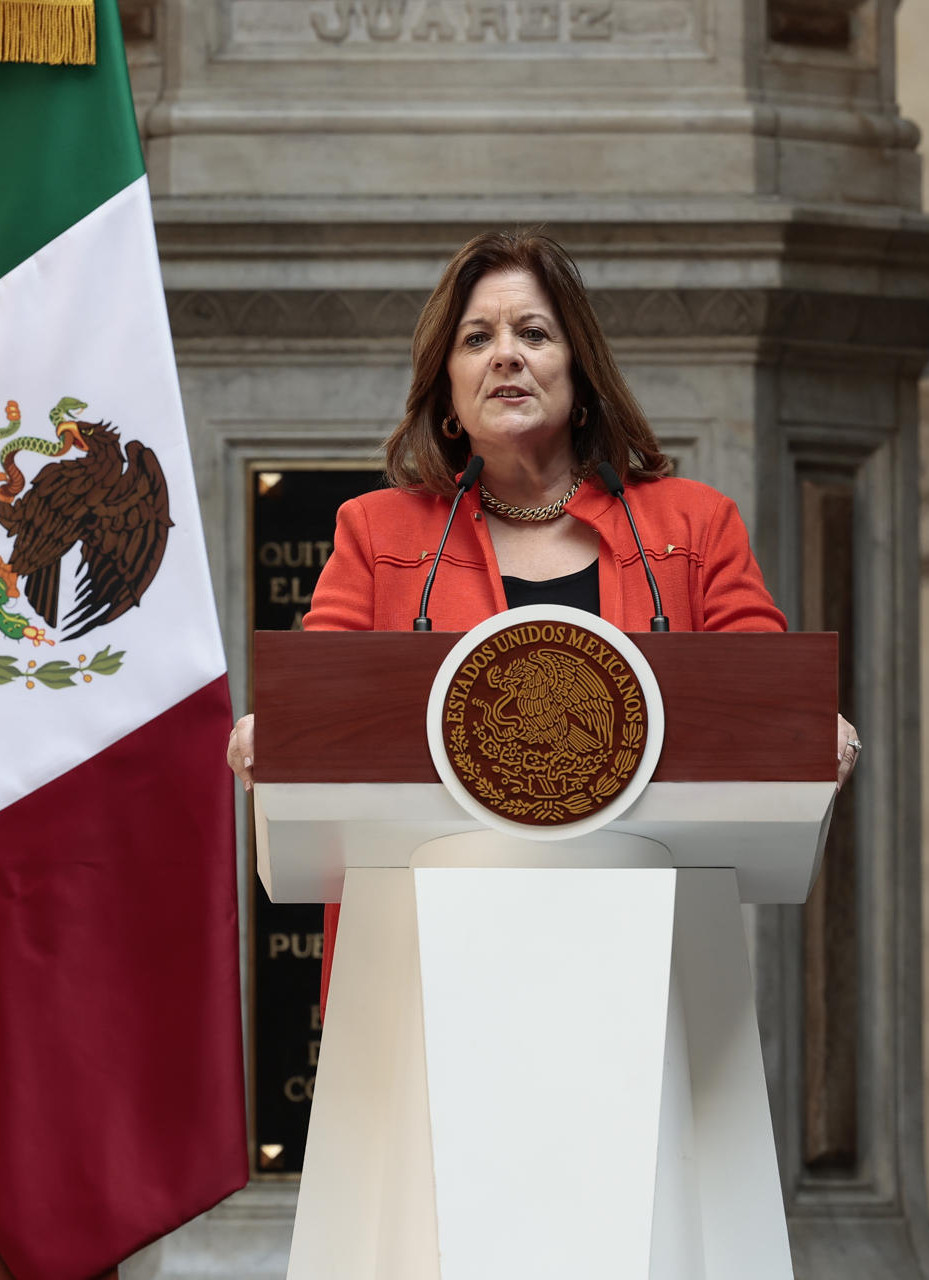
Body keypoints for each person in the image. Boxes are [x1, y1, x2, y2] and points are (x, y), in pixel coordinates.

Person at [223, 229, 860, 1006]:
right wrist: (278, 733)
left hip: (641, 963)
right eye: (477, 338)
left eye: (533, 333)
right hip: (426, 969)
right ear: (448, 391)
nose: (505, 355)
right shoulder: (378, 533)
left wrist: (806, 730)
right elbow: (318, 702)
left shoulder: (694, 526)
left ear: (580, 374)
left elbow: (766, 694)